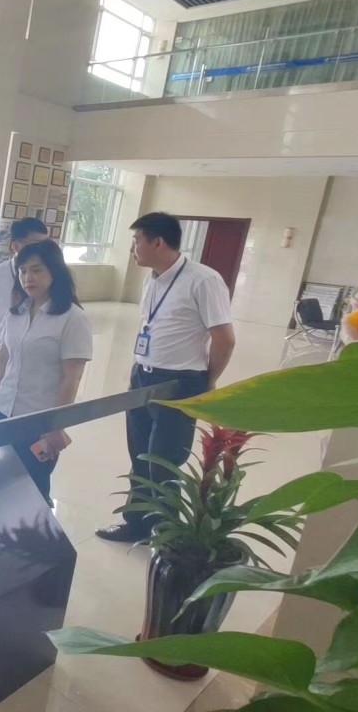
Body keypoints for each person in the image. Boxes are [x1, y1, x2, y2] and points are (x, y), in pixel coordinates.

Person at [96, 212, 235, 543]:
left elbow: (225, 339)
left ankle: (166, 533)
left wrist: (208, 380)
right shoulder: (153, 280)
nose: (133, 248)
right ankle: (137, 524)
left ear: (157, 242)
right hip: (143, 376)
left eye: (136, 241)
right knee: (140, 455)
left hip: (180, 382)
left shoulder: (203, 280)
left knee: (165, 461)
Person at [0, 239, 92, 505]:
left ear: (55, 271)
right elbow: (2, 357)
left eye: (37, 270)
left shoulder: (73, 318)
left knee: (32, 491)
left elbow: (72, 378)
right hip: (4, 410)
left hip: (38, 419)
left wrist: (55, 425)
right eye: (23, 271)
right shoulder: (16, 313)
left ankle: (35, 532)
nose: (28, 277)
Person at [0, 217, 52, 374]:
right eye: (34, 244)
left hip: (37, 351)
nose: (41, 250)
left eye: (45, 244)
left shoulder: (51, 276)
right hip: (0, 349)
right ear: (15, 246)